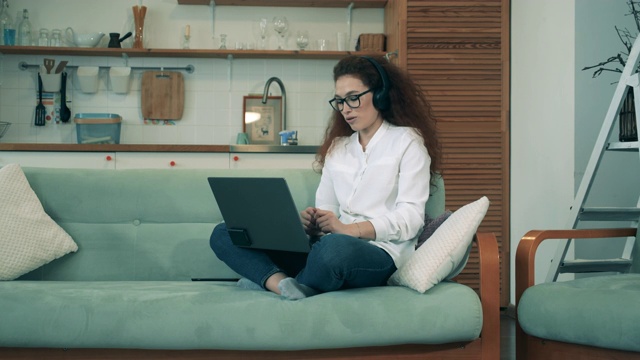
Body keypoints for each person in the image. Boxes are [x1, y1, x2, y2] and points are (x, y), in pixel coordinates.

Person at [210, 55, 441, 300]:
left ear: (380, 94)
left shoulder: (408, 142)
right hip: (326, 248)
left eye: (353, 98)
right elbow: (327, 210)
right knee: (225, 233)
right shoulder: (338, 148)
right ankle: (282, 285)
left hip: (378, 252)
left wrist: (348, 230)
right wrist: (313, 224)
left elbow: (411, 219)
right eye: (340, 101)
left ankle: (269, 278)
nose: (345, 109)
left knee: (335, 249)